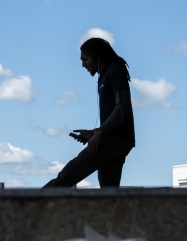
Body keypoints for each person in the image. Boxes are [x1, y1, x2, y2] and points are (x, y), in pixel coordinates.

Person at [43, 37, 135, 188]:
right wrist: (94, 132)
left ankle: (27, 206)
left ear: (97, 56)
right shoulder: (104, 77)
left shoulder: (114, 71)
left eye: (85, 59)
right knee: (109, 190)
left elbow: (122, 107)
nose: (83, 64)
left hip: (114, 140)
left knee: (67, 175)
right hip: (116, 140)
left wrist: (100, 133)